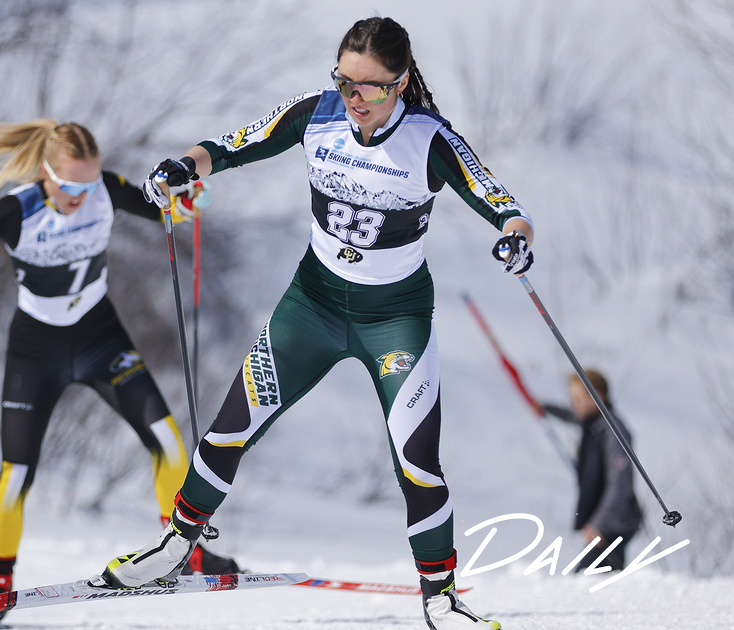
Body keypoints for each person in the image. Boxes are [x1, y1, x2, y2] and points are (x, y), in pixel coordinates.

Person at [93, 16, 537, 630]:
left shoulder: (429, 140)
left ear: (401, 83)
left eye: (370, 88)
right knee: (229, 429)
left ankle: (440, 594)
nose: (354, 99)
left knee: (416, 463)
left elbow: (501, 204)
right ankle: (176, 548)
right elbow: (229, 146)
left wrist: (516, 239)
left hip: (394, 319)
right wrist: (182, 168)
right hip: (314, 307)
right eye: (344, 82)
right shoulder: (318, 113)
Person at [0, 119, 238, 627]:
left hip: (100, 337)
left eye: (88, 184)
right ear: (47, 174)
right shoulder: (18, 208)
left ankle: (180, 553)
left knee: (167, 441)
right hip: (37, 350)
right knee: (15, 478)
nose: (81, 196)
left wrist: (187, 206)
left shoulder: (103, 189)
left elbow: (165, 209)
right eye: (70, 187)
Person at [541, 369, 642, 571]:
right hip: (607, 520)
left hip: (616, 521)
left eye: (578, 398)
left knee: (589, 581)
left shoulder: (613, 431)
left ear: (597, 396)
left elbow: (619, 483)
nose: (573, 404)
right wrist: (544, 408)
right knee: (601, 581)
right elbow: (571, 416)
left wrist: (599, 524)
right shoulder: (593, 423)